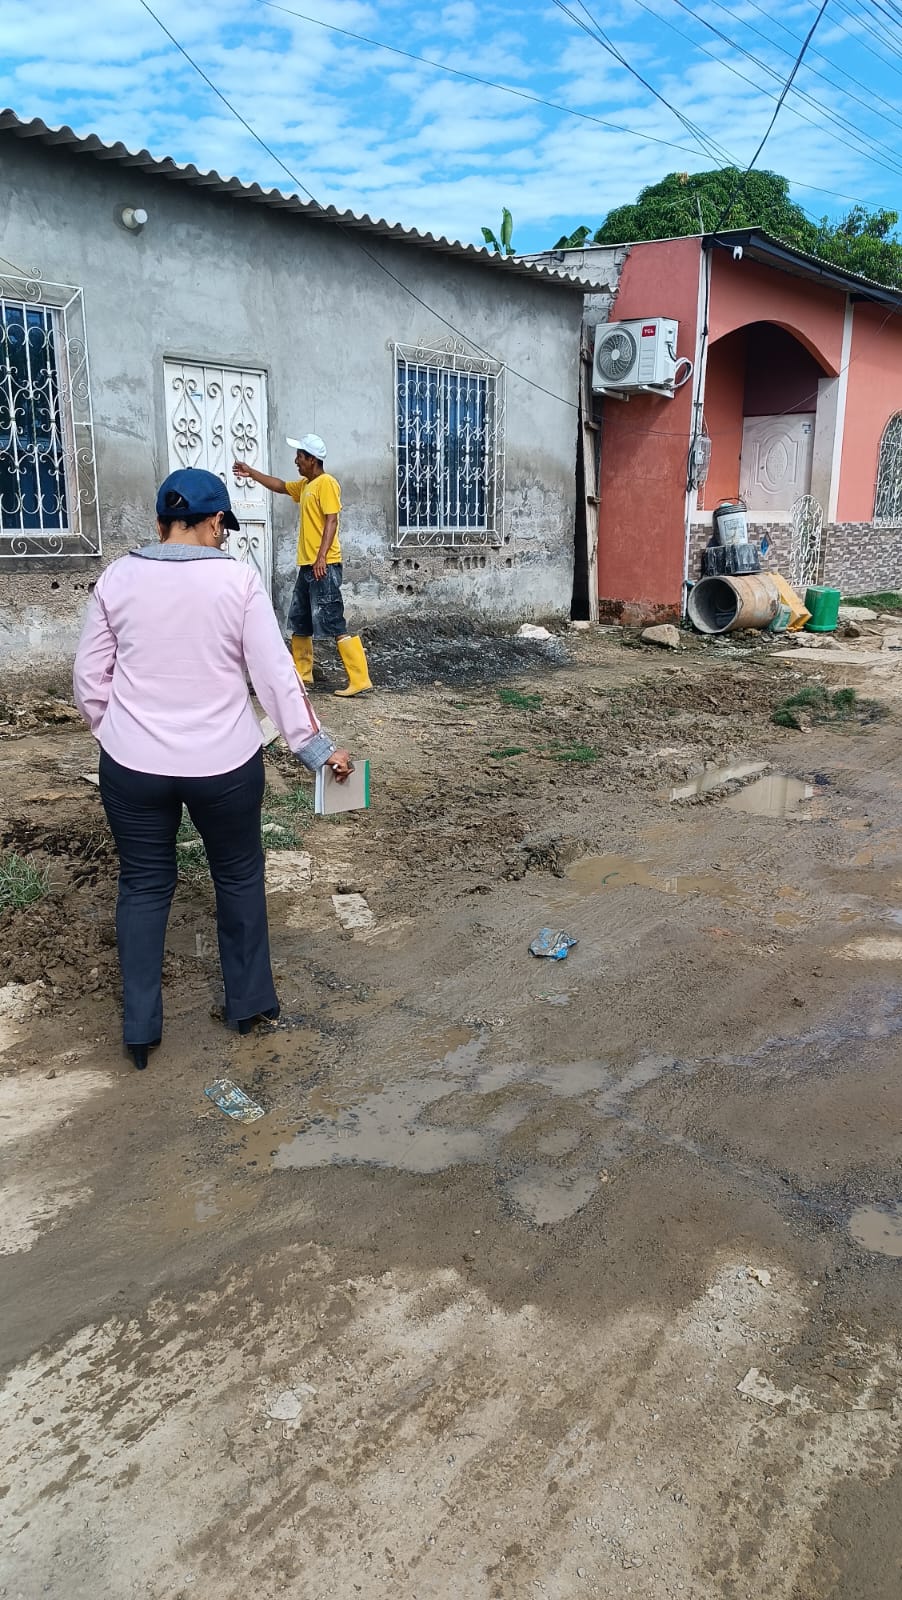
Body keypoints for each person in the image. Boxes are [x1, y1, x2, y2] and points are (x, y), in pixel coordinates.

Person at [73, 467, 353, 1073]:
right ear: (216, 522)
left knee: (143, 885)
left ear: (160, 523)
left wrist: (116, 733)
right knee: (238, 874)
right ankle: (248, 1006)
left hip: (133, 768)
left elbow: (89, 678)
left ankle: (141, 1031)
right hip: (224, 765)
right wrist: (315, 747)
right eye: (222, 526)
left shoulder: (116, 578)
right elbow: (274, 675)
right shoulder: (237, 580)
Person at [233, 434, 373, 698]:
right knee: (300, 619)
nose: (296, 461)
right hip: (308, 565)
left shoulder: (326, 483)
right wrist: (251, 472)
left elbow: (332, 520)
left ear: (312, 459)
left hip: (323, 565)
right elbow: (280, 486)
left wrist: (321, 557)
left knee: (332, 618)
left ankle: (359, 678)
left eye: (299, 456)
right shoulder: (307, 485)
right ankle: (303, 674)